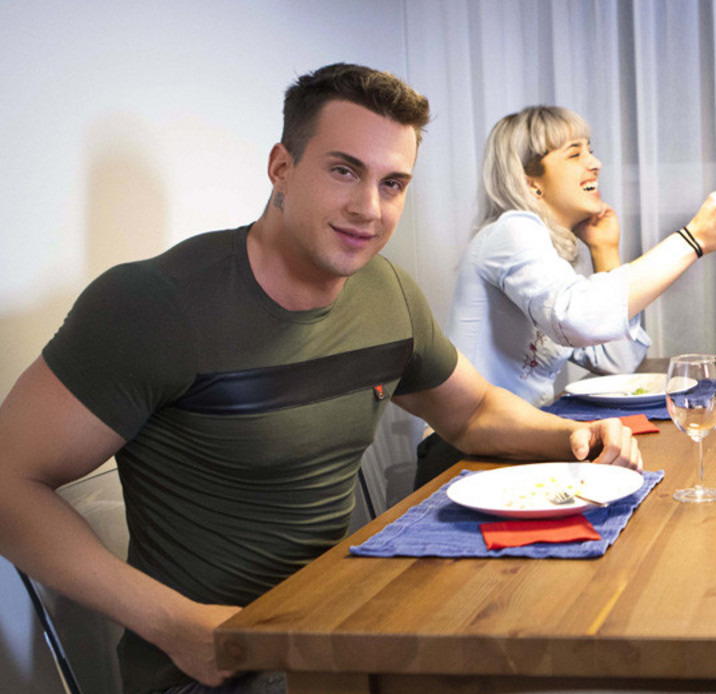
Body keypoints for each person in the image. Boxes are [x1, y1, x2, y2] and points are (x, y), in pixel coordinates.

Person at [0, 64, 642, 694]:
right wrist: (174, 624)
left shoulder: (387, 291)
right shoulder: (154, 303)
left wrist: (572, 440)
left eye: (393, 183)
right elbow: (7, 480)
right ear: (281, 167)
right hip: (219, 665)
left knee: (563, 637)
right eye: (344, 171)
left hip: (341, 625)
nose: (369, 208)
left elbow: (471, 413)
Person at [413, 106, 716, 487]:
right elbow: (576, 318)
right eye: (574, 154)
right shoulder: (511, 230)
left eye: (590, 150)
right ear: (529, 181)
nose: (595, 163)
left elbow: (619, 362)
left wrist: (605, 251)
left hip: (516, 445)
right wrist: (692, 240)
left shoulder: (547, 256)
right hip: (459, 455)